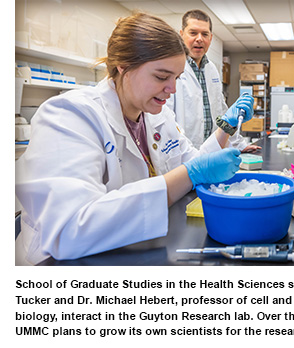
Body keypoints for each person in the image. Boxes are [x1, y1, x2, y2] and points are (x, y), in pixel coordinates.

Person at [15, 13, 253, 265]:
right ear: (123, 66)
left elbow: (196, 165)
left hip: (131, 250)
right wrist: (191, 173)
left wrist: (226, 127)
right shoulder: (69, 116)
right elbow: (69, 230)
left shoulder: (157, 116)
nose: (172, 89)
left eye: (177, 78)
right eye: (162, 77)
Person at [166, 9, 261, 152]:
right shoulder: (171, 69)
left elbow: (221, 112)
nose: (199, 39)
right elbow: (166, 120)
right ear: (181, 35)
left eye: (204, 34)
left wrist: (239, 144)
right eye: (193, 33)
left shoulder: (212, 70)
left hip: (212, 154)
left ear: (210, 38)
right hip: (182, 155)